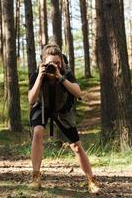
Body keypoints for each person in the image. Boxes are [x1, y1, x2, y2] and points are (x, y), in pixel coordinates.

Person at [28, 44, 100, 193]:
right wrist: (40, 77)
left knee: (76, 146)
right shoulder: (37, 74)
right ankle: (36, 177)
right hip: (42, 107)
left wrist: (60, 77)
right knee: (37, 133)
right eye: (50, 63)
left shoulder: (66, 73)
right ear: (43, 63)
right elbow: (31, 99)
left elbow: (78, 93)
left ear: (62, 62)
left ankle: (91, 181)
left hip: (62, 111)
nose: (54, 65)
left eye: (57, 62)